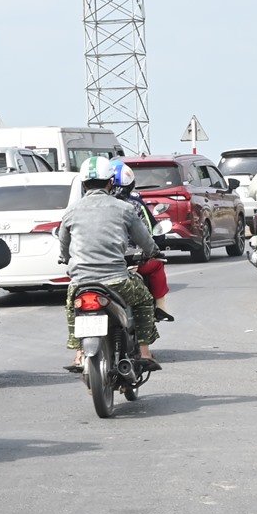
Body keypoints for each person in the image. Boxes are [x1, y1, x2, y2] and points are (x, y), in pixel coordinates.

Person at [57, 156, 160, 374]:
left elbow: (64, 246)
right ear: (110, 183)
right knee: (144, 300)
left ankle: (78, 354)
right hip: (118, 282)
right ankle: (144, 352)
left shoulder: (71, 211)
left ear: (84, 184)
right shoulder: (124, 208)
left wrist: (66, 259)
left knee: (71, 306)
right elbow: (145, 240)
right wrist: (153, 252)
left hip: (81, 284)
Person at [111, 161, 174, 322]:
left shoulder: (88, 206)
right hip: (131, 259)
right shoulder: (134, 205)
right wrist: (153, 249)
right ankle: (160, 307)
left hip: (95, 263)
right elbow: (147, 234)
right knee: (157, 264)